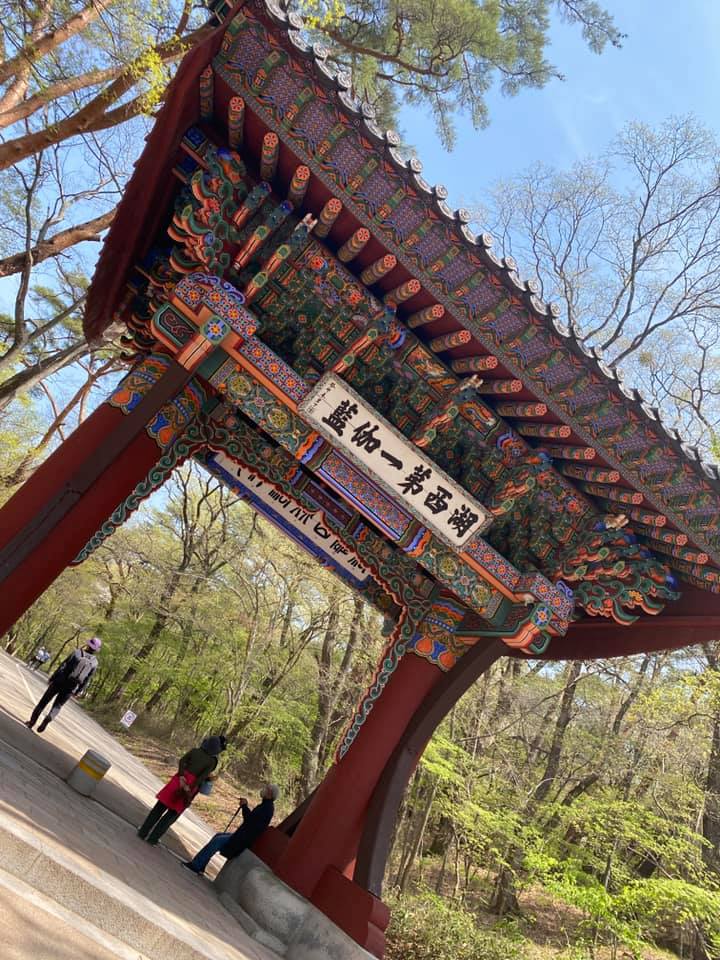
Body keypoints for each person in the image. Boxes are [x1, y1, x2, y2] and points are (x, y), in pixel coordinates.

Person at [137, 735, 227, 846]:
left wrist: (181, 774)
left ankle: (143, 832)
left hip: (179, 780)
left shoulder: (195, 751)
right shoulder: (212, 761)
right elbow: (202, 777)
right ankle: (153, 838)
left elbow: (182, 760)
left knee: (159, 807)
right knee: (171, 814)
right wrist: (189, 787)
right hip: (191, 786)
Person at [182, 784, 278, 876]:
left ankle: (195, 866)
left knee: (217, 841)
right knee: (218, 836)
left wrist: (244, 806)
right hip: (240, 835)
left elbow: (249, 820)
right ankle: (201, 866)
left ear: (270, 793)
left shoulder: (267, 809)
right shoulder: (265, 806)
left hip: (241, 840)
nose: (264, 789)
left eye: (267, 788)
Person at [25, 638, 101, 732]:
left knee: (43, 702)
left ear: (88, 645)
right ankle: (50, 717)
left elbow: (63, 666)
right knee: (57, 706)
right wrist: (78, 691)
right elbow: (87, 679)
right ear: (96, 649)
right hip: (71, 687)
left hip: (59, 681)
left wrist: (53, 677)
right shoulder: (94, 663)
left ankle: (31, 723)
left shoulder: (77, 653)